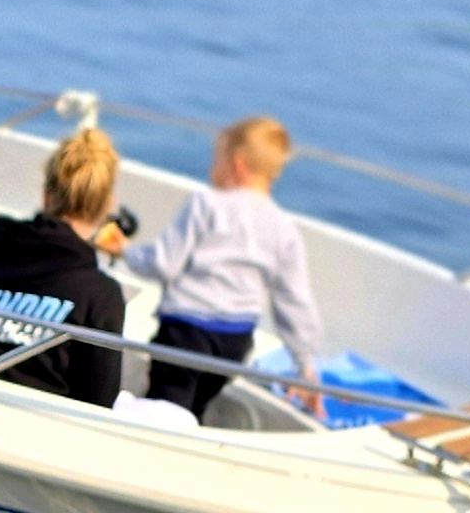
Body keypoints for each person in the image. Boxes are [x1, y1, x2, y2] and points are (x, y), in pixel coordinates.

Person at [124, 115, 329, 419]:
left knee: (163, 412)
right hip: (234, 343)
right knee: (193, 408)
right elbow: (294, 301)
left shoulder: (205, 204)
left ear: (237, 165)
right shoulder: (284, 228)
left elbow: (163, 264)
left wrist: (124, 251)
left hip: (186, 333)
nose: (211, 169)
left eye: (216, 159)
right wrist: (306, 366)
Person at [0, 125, 132, 409]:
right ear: (106, 206)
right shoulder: (101, 295)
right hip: (24, 422)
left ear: (46, 195)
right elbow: (98, 402)